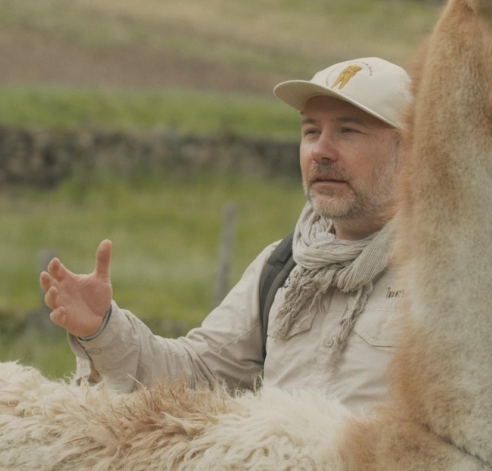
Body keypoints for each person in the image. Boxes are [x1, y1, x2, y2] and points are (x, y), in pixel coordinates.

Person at [40, 57, 410, 411]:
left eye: (348, 131)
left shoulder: (449, 277)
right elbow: (197, 376)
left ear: (411, 152)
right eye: (311, 130)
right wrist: (103, 329)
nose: (320, 151)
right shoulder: (282, 267)